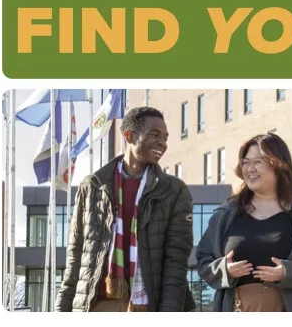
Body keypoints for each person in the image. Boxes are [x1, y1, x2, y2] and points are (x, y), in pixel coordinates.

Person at [57, 106, 194, 312]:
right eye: (154, 135)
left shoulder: (174, 191)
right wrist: (62, 310)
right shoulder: (93, 186)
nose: (162, 143)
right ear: (129, 135)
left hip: (146, 306)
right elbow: (77, 254)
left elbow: (176, 263)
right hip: (96, 306)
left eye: (165, 138)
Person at [195, 133, 292, 312]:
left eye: (258, 162)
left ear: (278, 164)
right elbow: (203, 261)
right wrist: (225, 270)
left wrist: (287, 273)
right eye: (245, 162)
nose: (250, 169)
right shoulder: (226, 213)